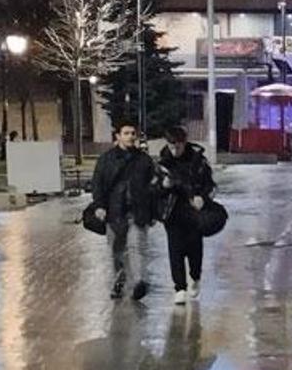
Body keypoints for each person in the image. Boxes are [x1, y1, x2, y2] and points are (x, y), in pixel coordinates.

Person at [92, 121, 158, 301]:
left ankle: (139, 282)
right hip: (114, 213)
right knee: (116, 250)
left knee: (137, 247)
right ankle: (119, 280)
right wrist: (99, 206)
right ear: (118, 136)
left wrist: (153, 213)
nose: (130, 137)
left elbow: (153, 188)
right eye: (126, 133)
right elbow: (97, 184)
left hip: (137, 212)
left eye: (133, 133)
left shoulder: (144, 160)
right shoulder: (106, 160)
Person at [158, 126, 215, 305]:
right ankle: (179, 287)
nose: (175, 150)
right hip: (172, 211)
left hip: (194, 213)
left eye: (179, 146)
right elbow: (153, 189)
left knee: (194, 249)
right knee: (175, 250)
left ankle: (195, 277)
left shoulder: (198, 161)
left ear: (184, 143)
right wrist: (163, 186)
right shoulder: (162, 163)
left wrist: (202, 198)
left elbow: (210, 185)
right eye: (171, 146)